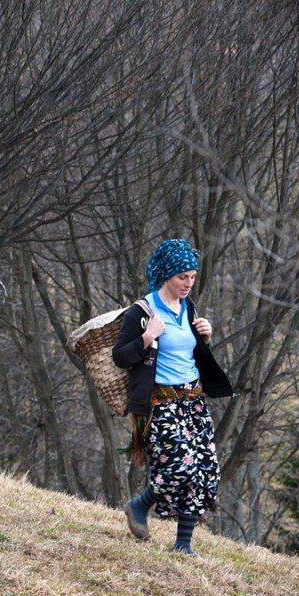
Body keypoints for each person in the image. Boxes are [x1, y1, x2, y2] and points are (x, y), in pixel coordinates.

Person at [112, 238, 233, 556]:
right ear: (167, 273)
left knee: (206, 469)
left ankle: (183, 544)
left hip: (193, 401)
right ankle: (139, 506)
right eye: (183, 277)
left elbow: (188, 352)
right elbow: (121, 356)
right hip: (160, 404)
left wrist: (204, 337)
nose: (189, 284)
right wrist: (147, 336)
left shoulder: (188, 307)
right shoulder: (143, 311)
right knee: (181, 468)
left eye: (192, 277)